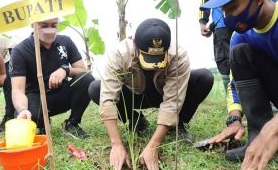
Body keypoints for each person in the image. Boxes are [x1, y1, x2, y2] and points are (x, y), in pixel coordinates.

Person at [87, 18, 214, 169]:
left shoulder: (178, 55)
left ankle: (177, 126)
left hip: (161, 93)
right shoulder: (119, 53)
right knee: (95, 88)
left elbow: (172, 102)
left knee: (205, 77)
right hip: (135, 94)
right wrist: (117, 144)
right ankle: (135, 120)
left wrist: (153, 145)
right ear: (134, 44)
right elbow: (107, 99)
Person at [201, 0, 278, 167]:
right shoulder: (241, 38)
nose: (228, 18)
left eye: (233, 8)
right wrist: (234, 119)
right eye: (224, 11)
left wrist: (274, 128)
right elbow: (235, 84)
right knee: (239, 53)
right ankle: (257, 137)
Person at [10, 18, 95, 139]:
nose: (49, 31)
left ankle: (72, 123)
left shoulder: (66, 42)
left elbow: (83, 70)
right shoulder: (20, 51)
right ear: (33, 25)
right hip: (35, 97)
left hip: (61, 94)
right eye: (44, 26)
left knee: (86, 78)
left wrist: (65, 70)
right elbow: (18, 90)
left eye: (54, 25)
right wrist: (23, 109)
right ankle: (41, 123)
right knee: (30, 116)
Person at [199, 0, 233, 92]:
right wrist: (204, 23)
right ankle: (233, 101)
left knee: (225, 60)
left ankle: (234, 101)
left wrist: (203, 23)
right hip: (223, 24)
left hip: (223, 25)